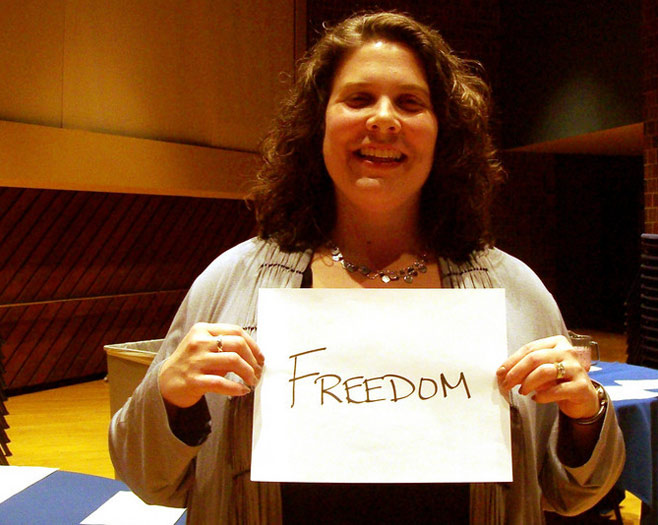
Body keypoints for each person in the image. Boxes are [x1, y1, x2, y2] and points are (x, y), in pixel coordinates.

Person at [109, 11, 624, 524]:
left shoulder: (515, 291)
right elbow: (147, 476)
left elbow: (570, 493)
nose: (383, 119)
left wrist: (584, 415)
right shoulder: (231, 281)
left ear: (443, 133)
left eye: (410, 102)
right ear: (319, 125)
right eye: (358, 99)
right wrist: (172, 398)